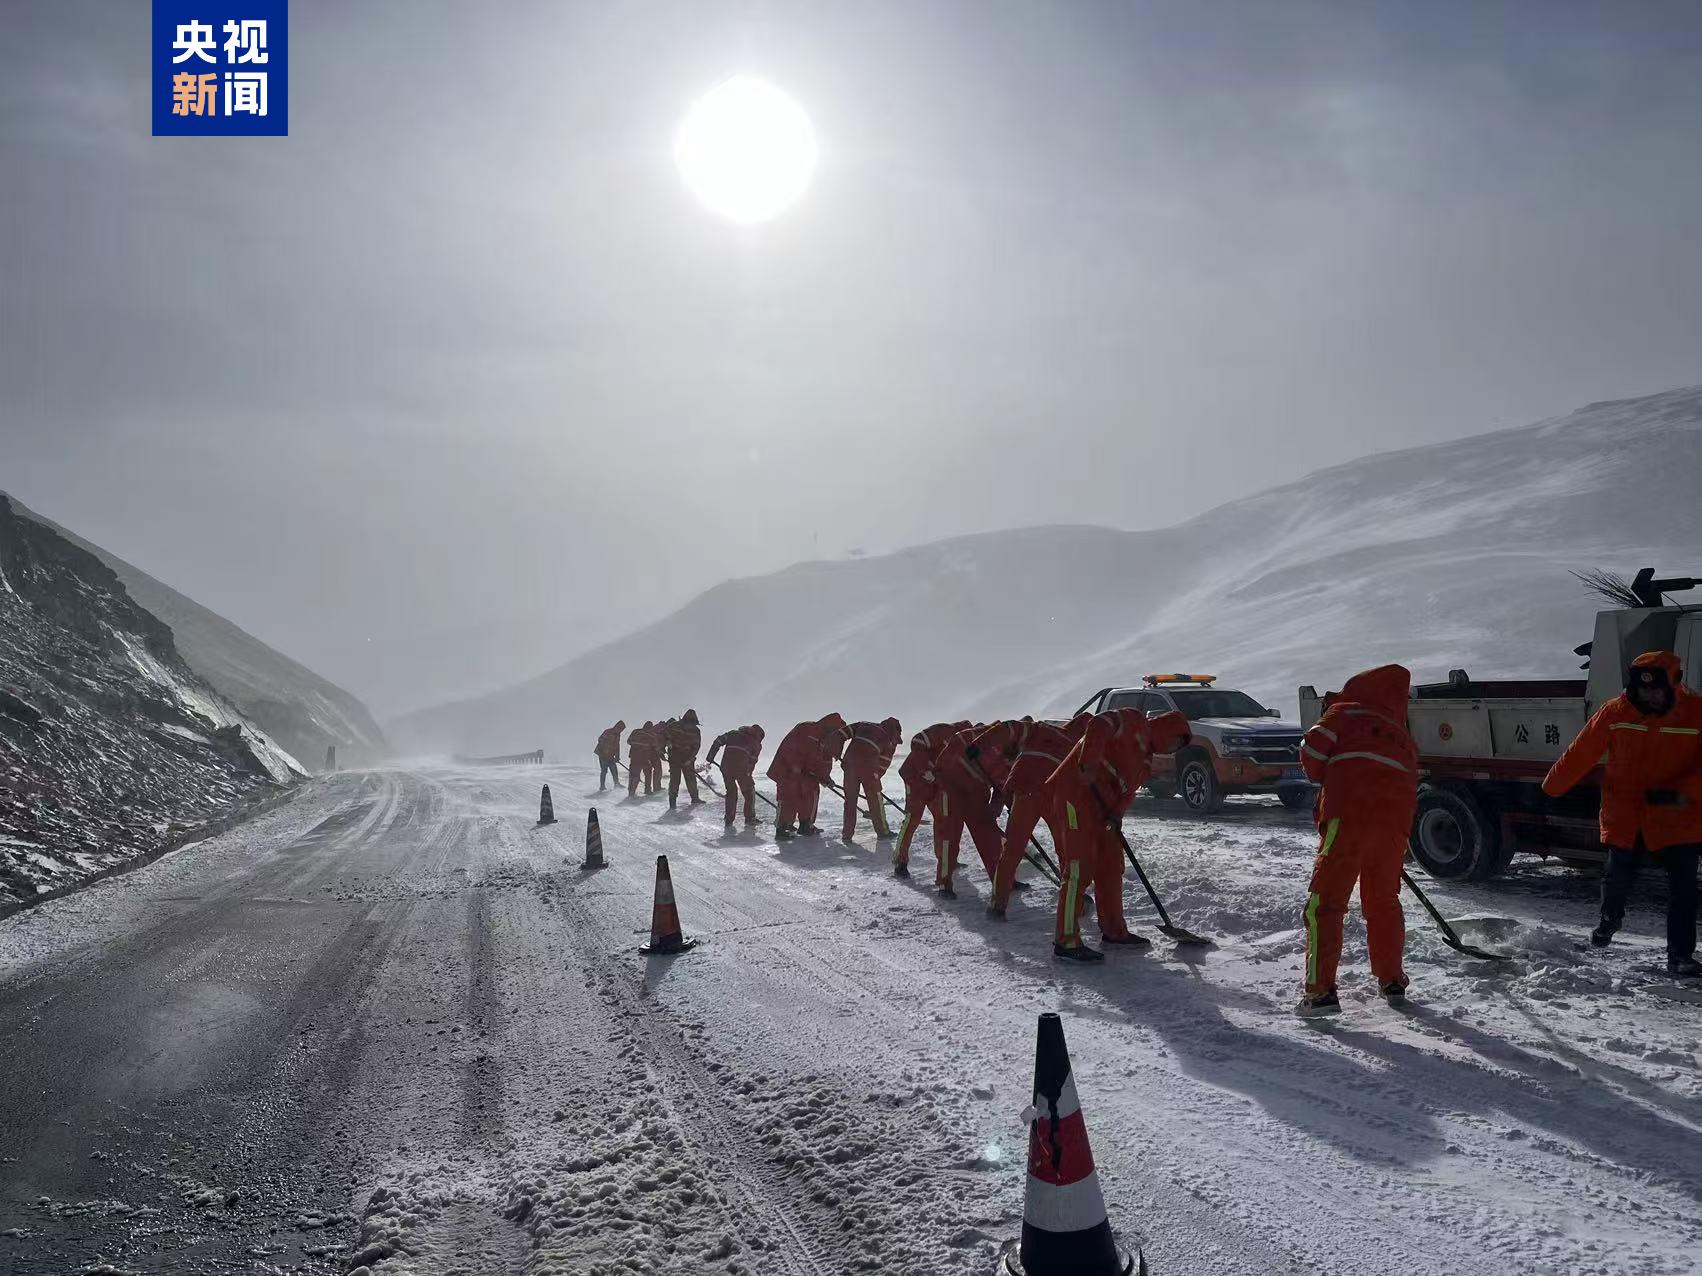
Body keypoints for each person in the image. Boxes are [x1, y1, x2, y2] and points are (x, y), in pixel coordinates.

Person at [1543, 650, 1702, 977]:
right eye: (1643, 690)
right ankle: (1609, 921)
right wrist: (1550, 790)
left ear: (1675, 684)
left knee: (1683, 889)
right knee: (1616, 877)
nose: (1651, 696)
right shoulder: (1615, 712)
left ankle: (1680, 957)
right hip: (1625, 814)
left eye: (1657, 689)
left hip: (1677, 817)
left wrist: (1682, 792)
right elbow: (1581, 752)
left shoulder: (1696, 713)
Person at [1295, 664, 1419, 1013]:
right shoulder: (1402, 735)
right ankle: (1392, 980)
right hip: (1394, 827)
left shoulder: (1345, 711)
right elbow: (1410, 788)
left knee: (1326, 904)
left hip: (1349, 817)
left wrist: (1325, 776)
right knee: (1383, 903)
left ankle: (1319, 994)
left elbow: (1313, 753)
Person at [1046, 708, 1191, 961]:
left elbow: (1128, 792)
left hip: (1103, 809)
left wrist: (1117, 814)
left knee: (1111, 866)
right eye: (1175, 742)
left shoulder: (1145, 762)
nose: (1172, 750)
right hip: (1074, 793)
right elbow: (1098, 724)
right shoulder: (1132, 720)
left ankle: (1114, 930)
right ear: (1166, 730)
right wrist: (1088, 763)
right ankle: (1066, 940)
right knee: (1080, 868)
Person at [989, 713, 1093, 917]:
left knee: (1012, 849)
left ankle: (997, 904)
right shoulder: (1078, 746)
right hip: (1050, 794)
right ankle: (1073, 901)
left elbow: (1014, 731)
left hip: (1023, 789)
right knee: (1066, 848)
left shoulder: (1043, 729)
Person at [930, 721, 1022, 897]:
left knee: (990, 838)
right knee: (950, 838)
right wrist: (948, 787)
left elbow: (1001, 788)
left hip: (977, 794)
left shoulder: (1012, 759)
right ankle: (944, 883)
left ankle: (1002, 881)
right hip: (951, 791)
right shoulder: (970, 738)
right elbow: (938, 769)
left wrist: (993, 812)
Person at [891, 721, 969, 876]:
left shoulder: (964, 748)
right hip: (915, 779)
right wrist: (925, 769)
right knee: (912, 819)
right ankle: (900, 861)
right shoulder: (945, 731)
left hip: (934, 783)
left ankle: (946, 859)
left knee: (943, 819)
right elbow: (917, 741)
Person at [768, 714, 842, 838]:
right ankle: (782, 828)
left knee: (810, 792)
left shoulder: (820, 735)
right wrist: (825, 778)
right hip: (788, 768)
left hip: (801, 771)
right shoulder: (810, 731)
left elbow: (816, 760)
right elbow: (812, 758)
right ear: (830, 727)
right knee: (788, 797)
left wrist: (824, 777)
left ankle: (805, 825)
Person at [840, 718, 901, 841]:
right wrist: (875, 779)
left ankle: (847, 835)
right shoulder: (890, 739)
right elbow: (884, 763)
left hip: (849, 765)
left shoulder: (864, 725)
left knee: (850, 800)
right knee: (876, 800)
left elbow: (841, 733)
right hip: (868, 768)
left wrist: (836, 753)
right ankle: (883, 832)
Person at [706, 724, 765, 828]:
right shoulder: (756, 744)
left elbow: (718, 741)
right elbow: (752, 762)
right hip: (741, 769)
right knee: (749, 793)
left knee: (731, 792)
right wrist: (748, 777)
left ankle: (729, 819)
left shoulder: (733, 734)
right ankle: (750, 818)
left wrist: (711, 755)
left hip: (726, 767)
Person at [667, 709, 705, 809]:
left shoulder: (696, 731)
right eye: (688, 722)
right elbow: (665, 736)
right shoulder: (674, 725)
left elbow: (696, 746)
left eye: (692, 722)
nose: (689, 725)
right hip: (674, 756)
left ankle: (695, 798)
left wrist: (690, 759)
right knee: (675, 779)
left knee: (691, 778)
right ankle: (672, 801)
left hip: (688, 757)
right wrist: (668, 743)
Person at [627, 721, 656, 797]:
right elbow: (654, 746)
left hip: (636, 757)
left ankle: (631, 792)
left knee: (634, 774)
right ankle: (647, 790)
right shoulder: (651, 735)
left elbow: (629, 741)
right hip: (643, 758)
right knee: (645, 773)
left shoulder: (636, 731)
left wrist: (636, 744)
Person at [594, 720, 625, 792]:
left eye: (622, 730)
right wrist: (606, 750)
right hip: (602, 754)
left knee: (614, 769)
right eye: (621, 729)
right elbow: (600, 740)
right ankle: (602, 786)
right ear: (617, 727)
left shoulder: (618, 735)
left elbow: (617, 746)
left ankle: (616, 784)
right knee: (604, 770)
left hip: (610, 755)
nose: (621, 731)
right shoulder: (608, 732)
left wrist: (617, 756)